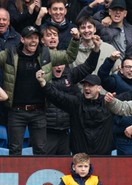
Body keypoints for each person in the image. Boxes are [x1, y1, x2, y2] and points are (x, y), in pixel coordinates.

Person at [0, 25, 80, 155]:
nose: (33, 41)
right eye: (30, 38)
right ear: (22, 39)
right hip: (16, 111)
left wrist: (76, 39)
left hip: (39, 111)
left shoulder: (46, 53)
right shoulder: (9, 54)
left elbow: (69, 57)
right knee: (14, 150)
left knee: (41, 151)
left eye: (36, 38)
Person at [36, 70, 132, 155]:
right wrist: (43, 84)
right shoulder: (76, 102)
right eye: (84, 85)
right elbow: (57, 96)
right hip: (80, 158)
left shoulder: (108, 102)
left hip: (104, 156)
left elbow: (131, 94)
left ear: (99, 88)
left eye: (90, 85)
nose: (86, 88)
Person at [44, 32, 101, 155]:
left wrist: (96, 49)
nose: (59, 66)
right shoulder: (43, 79)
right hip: (46, 131)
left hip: (65, 130)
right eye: (55, 64)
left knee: (64, 166)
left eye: (61, 64)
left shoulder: (70, 76)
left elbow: (88, 66)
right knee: (44, 166)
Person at [98, 54, 132, 155]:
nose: (131, 70)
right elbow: (102, 77)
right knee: (127, 169)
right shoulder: (116, 81)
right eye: (128, 67)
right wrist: (110, 60)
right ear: (121, 70)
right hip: (125, 137)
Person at [77, 0, 132, 65]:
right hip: (105, 67)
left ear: (125, 13)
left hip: (126, 70)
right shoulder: (101, 26)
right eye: (115, 9)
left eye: (121, 10)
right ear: (110, 12)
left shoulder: (131, 29)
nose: (118, 12)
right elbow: (80, 21)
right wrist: (92, 5)